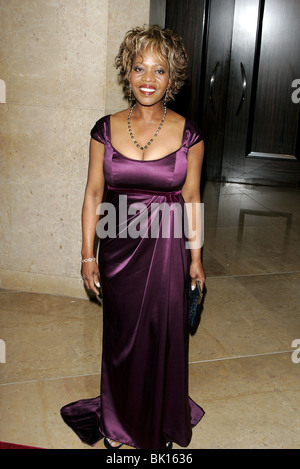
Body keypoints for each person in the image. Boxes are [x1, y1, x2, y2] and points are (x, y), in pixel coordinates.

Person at [60, 24, 205, 450]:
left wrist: (196, 259)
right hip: (118, 245)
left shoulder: (189, 133)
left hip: (166, 247)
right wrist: (88, 255)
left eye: (159, 70)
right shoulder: (103, 130)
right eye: (139, 67)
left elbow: (193, 197)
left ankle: (158, 417)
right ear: (127, 71)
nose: (147, 78)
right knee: (122, 337)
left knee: (161, 333)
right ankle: (120, 420)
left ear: (172, 76)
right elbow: (92, 194)